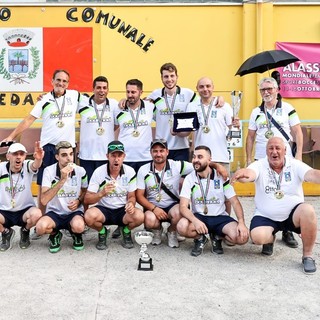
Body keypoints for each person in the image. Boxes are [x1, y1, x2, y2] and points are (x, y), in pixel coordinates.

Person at [232, 137, 318, 274]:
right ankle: (270, 239)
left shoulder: (295, 165)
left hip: (292, 215)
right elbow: (249, 174)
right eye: (270, 148)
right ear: (266, 151)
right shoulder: (259, 165)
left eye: (278, 148)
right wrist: (242, 174)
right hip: (266, 215)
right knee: (257, 237)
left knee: (308, 211)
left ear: (285, 150)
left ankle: (307, 256)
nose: (274, 152)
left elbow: (312, 174)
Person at [246, 77, 303, 248]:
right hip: (262, 161)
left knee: (286, 192)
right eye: (263, 90)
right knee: (265, 195)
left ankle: (288, 230)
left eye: (269, 89)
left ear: (277, 89)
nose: (266, 92)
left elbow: (297, 133)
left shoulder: (288, 108)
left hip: (285, 160)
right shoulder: (256, 112)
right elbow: (250, 137)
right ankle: (268, 233)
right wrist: (249, 159)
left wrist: (298, 155)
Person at [178, 145, 249, 257]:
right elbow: (182, 206)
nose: (196, 160)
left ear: (209, 160)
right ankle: (200, 238)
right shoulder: (190, 178)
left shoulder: (221, 177)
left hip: (220, 217)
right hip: (200, 217)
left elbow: (235, 202)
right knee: (181, 226)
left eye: (200, 157)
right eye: (194, 157)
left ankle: (217, 237)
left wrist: (241, 222)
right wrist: (195, 221)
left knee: (242, 237)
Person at [84, 140, 144, 250]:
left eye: (119, 155)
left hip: (122, 210)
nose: (116, 159)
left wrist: (131, 203)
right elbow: (87, 199)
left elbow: (132, 196)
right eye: (113, 155)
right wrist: (102, 193)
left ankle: (125, 231)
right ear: (107, 156)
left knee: (140, 216)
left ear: (124, 156)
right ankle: (103, 232)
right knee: (88, 216)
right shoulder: (99, 172)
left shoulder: (130, 171)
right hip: (104, 209)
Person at [35, 141, 88, 253]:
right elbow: (44, 200)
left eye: (71, 154)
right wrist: (62, 179)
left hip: (73, 212)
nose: (69, 159)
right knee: (40, 228)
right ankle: (55, 234)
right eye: (64, 155)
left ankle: (76, 234)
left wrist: (79, 201)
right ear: (57, 157)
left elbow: (85, 191)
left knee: (79, 227)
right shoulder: (48, 171)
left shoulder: (81, 171)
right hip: (54, 212)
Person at [147, 63, 198, 161]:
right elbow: (137, 105)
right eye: (166, 76)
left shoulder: (188, 94)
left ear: (177, 77)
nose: (169, 79)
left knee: (181, 176)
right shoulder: (154, 95)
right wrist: (125, 100)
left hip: (181, 147)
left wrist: (217, 99)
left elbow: (203, 103)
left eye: (172, 76)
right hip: (161, 148)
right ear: (161, 78)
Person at [0, 142, 44, 251]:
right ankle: (6, 232)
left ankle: (25, 230)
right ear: (8, 156)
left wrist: (39, 159)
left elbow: (35, 165)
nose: (18, 157)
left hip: (24, 210)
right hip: (4, 211)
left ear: (25, 156)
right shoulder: (1, 168)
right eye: (15, 154)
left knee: (37, 214)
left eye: (21, 154)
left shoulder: (27, 165)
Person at [78, 76, 118, 180]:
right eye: (99, 87)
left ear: (108, 90)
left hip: (106, 156)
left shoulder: (114, 104)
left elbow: (117, 124)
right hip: (87, 155)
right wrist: (43, 97)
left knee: (105, 188)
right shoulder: (82, 104)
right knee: (87, 188)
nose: (102, 91)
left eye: (104, 88)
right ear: (93, 89)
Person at [114, 79, 154, 173]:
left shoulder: (150, 107)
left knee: (145, 187)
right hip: (125, 158)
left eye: (133, 92)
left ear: (141, 92)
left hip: (146, 158)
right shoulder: (119, 108)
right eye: (128, 92)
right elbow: (114, 128)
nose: (130, 95)